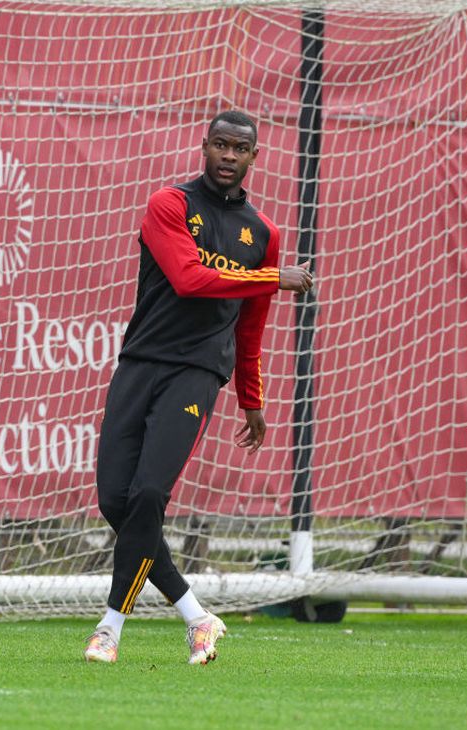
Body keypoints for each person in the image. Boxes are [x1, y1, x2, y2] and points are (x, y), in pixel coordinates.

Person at [83, 110, 313, 666]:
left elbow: (250, 328)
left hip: (197, 373)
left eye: (240, 148)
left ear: (255, 157)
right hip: (140, 363)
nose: (228, 156)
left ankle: (109, 629)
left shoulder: (263, 234)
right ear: (204, 147)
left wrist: (251, 400)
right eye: (220, 145)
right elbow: (189, 279)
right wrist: (271, 278)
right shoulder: (170, 205)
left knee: (148, 497)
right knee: (115, 500)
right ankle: (196, 615)